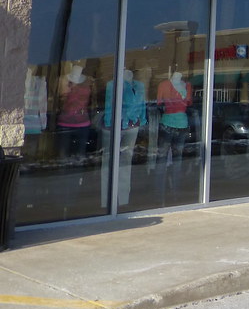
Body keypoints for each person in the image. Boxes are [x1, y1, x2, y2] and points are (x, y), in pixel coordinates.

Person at [101, 68, 148, 206]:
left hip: (132, 126)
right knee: (109, 162)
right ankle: (107, 200)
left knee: (126, 162)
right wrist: (111, 123)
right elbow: (109, 104)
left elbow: (143, 104)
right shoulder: (113, 84)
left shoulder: (139, 85)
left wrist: (143, 121)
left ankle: (123, 199)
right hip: (115, 125)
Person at [155, 71, 192, 205]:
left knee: (177, 160)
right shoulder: (164, 84)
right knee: (161, 158)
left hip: (182, 125)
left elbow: (189, 102)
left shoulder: (187, 85)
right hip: (167, 124)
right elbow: (159, 103)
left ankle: (176, 190)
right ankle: (158, 192)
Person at [56, 65, 93, 165]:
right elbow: (60, 98)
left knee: (80, 156)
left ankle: (78, 177)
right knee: (62, 156)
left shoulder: (88, 81)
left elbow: (92, 101)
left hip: (83, 122)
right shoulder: (63, 80)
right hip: (65, 122)